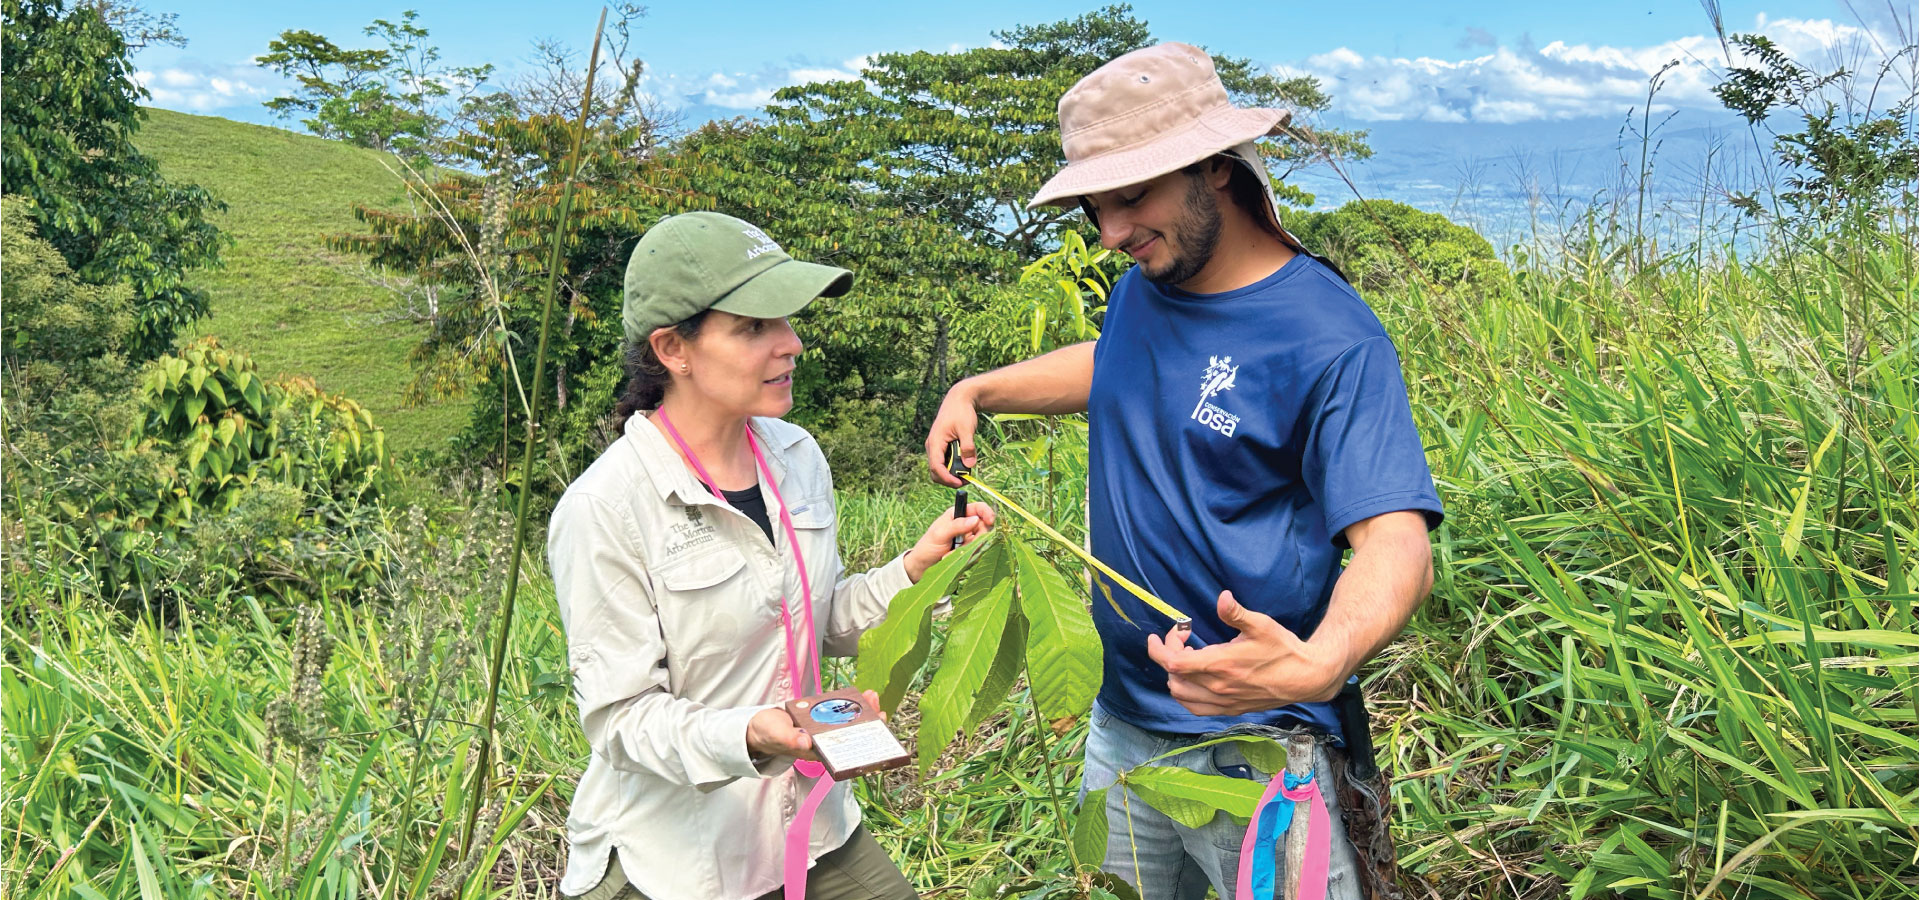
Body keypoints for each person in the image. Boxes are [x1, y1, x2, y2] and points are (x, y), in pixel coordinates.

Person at [923, 43, 1441, 900]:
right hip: (1118, 721)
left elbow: (1395, 539)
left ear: (1217, 169)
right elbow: (1116, 363)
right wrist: (980, 389)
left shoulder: (1330, 338)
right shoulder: (1150, 279)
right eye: (1096, 207)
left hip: (1254, 749)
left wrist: (1323, 660)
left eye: (1132, 197)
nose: (1113, 232)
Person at [552, 211, 993, 900]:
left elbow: (815, 621)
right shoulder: (606, 507)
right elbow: (622, 720)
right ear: (674, 348)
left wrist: (914, 569)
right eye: (754, 327)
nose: (790, 344)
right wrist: (750, 736)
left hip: (808, 823)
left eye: (785, 320)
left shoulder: (794, 455)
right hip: (675, 857)